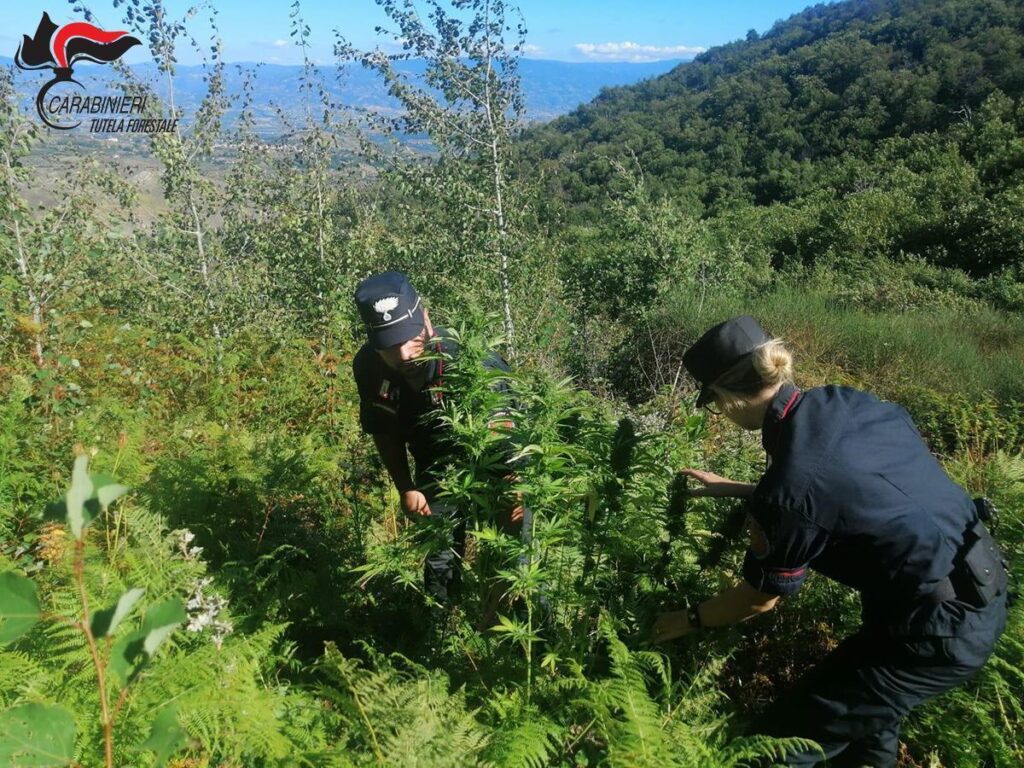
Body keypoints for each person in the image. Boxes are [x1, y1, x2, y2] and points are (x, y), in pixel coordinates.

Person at [651, 315, 1009, 767]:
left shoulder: (790, 489)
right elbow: (854, 486)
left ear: (727, 398)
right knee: (866, 732)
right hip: (973, 580)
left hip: (932, 635)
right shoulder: (846, 402)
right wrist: (748, 490)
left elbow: (758, 600)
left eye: (714, 404)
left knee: (772, 749)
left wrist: (686, 620)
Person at [352, 271, 521, 606]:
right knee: (440, 560)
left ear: (426, 320)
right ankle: (442, 625)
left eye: (410, 338)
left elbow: (511, 462)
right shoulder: (369, 366)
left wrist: (511, 541)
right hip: (435, 460)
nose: (405, 355)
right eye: (390, 345)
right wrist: (406, 486)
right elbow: (383, 428)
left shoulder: (476, 367)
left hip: (495, 462)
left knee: (511, 565)